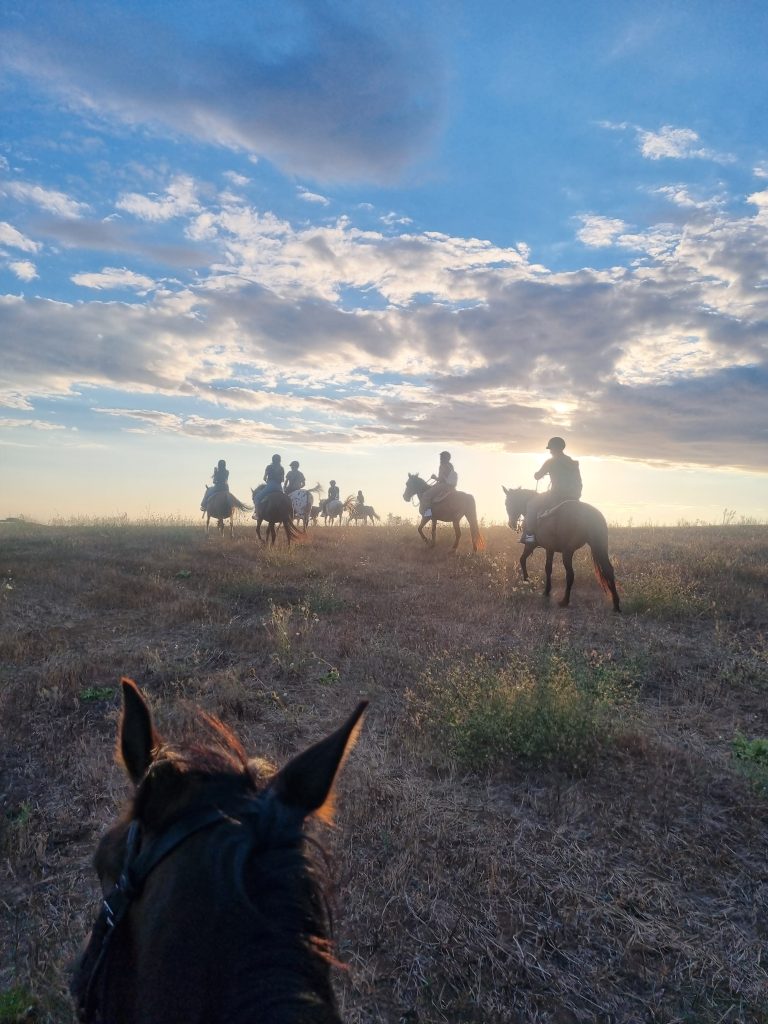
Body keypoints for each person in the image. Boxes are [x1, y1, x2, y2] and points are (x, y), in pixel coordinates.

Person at [521, 437, 582, 543]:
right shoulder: (572, 462)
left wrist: (537, 474)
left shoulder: (550, 462)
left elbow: (537, 476)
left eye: (550, 449)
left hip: (556, 494)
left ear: (553, 449)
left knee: (531, 505)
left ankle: (529, 538)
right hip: (574, 496)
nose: (550, 452)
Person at [420, 451, 458, 515]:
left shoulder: (443, 465)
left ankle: (428, 514)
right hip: (451, 486)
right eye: (441, 457)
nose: (440, 458)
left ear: (445, 458)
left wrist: (434, 477)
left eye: (441, 457)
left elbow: (441, 479)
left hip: (444, 485)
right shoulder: (450, 465)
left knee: (426, 495)